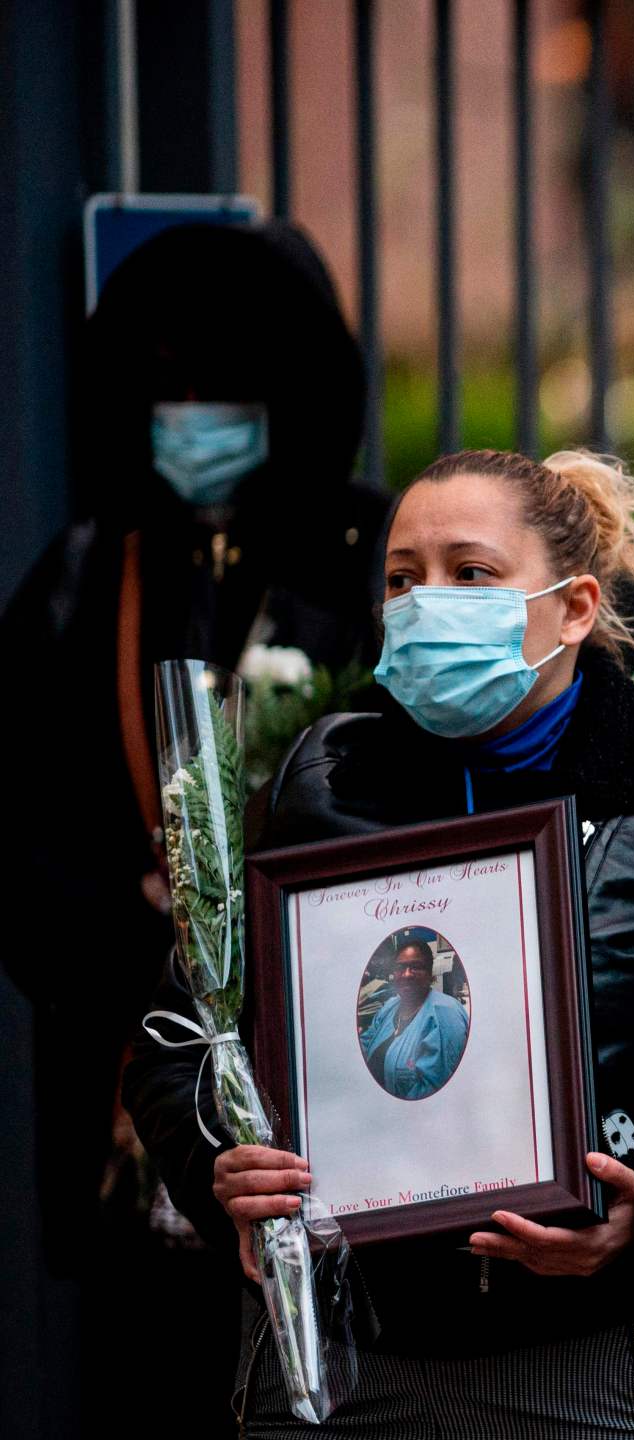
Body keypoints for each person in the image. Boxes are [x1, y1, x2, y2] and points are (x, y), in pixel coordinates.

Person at [123, 448, 634, 1433]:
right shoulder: (317, 789)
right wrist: (222, 1164)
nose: (428, 603)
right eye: (402, 578)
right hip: (346, 1367)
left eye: (471, 574)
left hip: (609, 1369)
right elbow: (182, 1038)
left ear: (574, 607)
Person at [0, 219, 383, 1427]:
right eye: (164, 385)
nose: (190, 413)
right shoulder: (87, 571)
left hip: (340, 1091)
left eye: (222, 386)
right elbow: (16, 832)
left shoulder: (376, 561)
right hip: (130, 1096)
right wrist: (153, 943)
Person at [358, 939, 471, 1100]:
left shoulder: (445, 1013)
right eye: (400, 968)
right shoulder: (390, 1006)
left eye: (416, 967)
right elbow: (365, 1044)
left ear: (430, 973)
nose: (406, 974)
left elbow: (434, 1092)